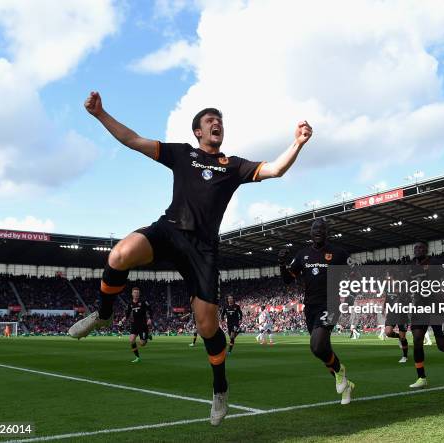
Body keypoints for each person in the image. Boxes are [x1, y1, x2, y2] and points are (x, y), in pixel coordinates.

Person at [68, 91, 313, 425]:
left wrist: (297, 143)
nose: (217, 125)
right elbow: (133, 140)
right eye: (210, 121)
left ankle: (220, 389)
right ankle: (104, 314)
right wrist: (101, 114)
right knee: (119, 254)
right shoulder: (182, 154)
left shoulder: (233, 166)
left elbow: (275, 169)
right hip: (169, 231)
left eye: (220, 122)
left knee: (207, 325)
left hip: (203, 250)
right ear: (197, 131)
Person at [279, 218, 355, 405]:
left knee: (319, 344)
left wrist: (351, 295)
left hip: (330, 304)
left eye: (322, 228)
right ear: (310, 232)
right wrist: (282, 263)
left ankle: (340, 372)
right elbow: (288, 279)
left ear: (327, 232)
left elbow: (355, 274)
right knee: (318, 349)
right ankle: (345, 384)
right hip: (310, 307)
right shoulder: (303, 254)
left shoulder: (338, 253)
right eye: (315, 229)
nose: (318, 231)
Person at [408, 241, 444, 389]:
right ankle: (421, 377)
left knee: (443, 346)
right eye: (416, 247)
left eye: (421, 247)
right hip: (419, 307)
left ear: (426, 250)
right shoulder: (411, 266)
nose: (418, 249)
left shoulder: (435, 263)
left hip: (436, 306)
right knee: (417, 339)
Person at [119, 287, 152, 363]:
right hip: (134, 324)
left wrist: (150, 318)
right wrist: (123, 319)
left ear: (139, 294)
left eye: (137, 293)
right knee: (131, 340)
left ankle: (147, 336)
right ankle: (137, 357)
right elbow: (127, 314)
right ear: (132, 294)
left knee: (142, 344)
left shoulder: (143, 302)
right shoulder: (130, 303)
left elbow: (150, 310)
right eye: (135, 293)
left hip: (143, 325)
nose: (136, 294)